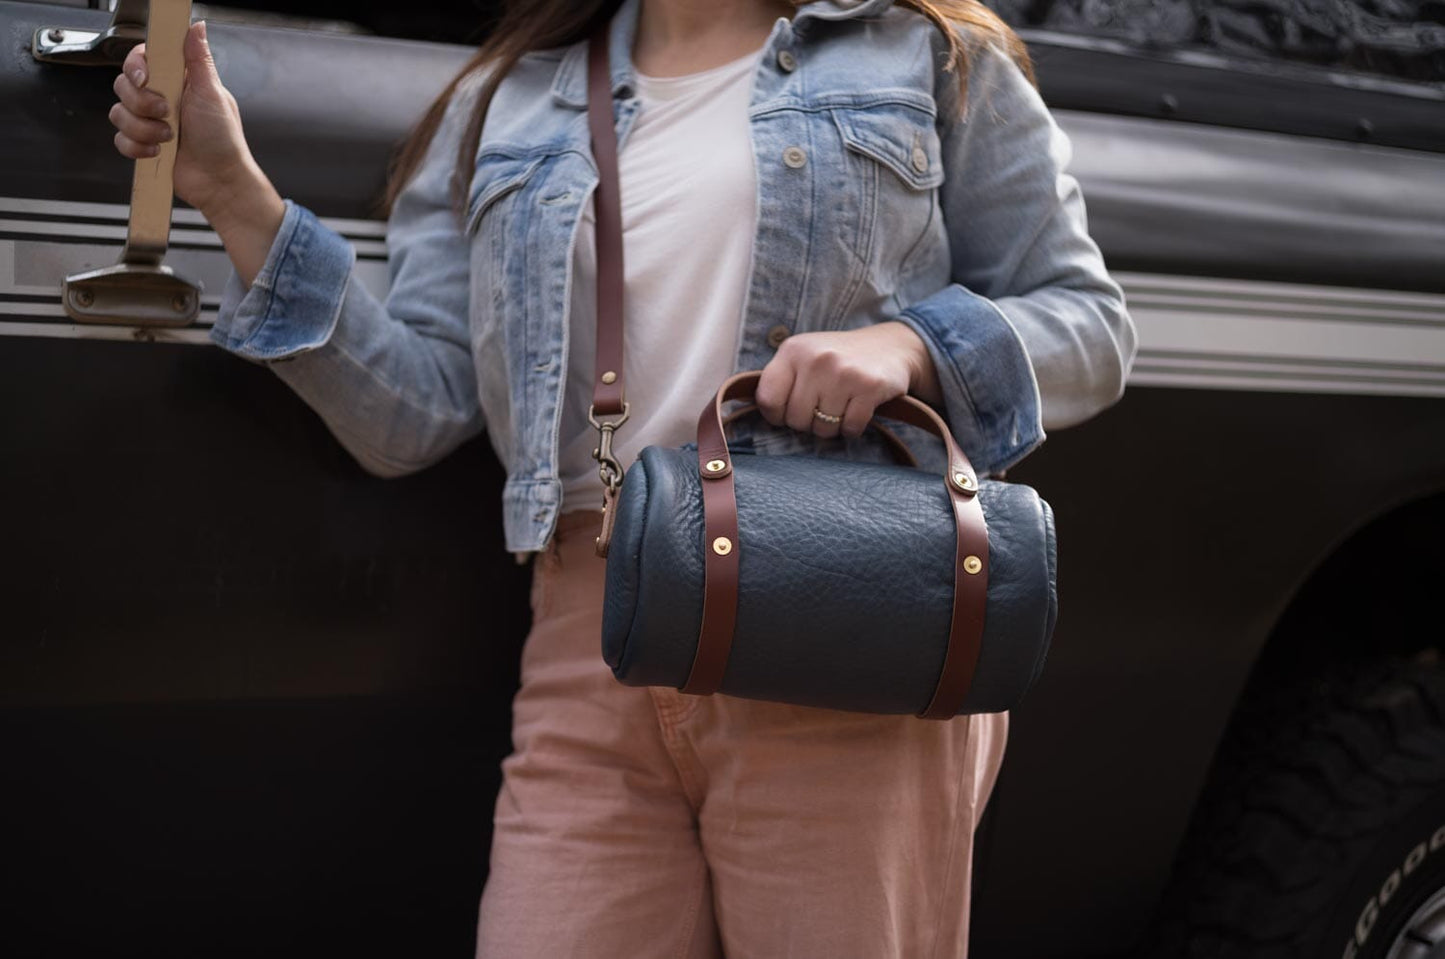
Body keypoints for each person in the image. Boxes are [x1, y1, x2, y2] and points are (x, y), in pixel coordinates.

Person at [109, 0, 1135, 954]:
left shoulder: (929, 55)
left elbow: (1088, 329)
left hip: (840, 633)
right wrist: (231, 191)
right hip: (593, 634)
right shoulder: (501, 100)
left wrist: (908, 345)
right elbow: (412, 413)